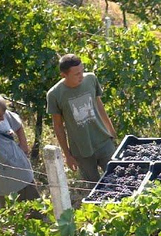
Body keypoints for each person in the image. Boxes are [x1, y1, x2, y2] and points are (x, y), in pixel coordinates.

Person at [46, 54, 117, 183]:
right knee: (94, 186)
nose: (81, 76)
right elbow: (58, 126)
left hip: (103, 141)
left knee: (119, 177)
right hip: (81, 150)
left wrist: (111, 131)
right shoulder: (54, 94)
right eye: (77, 74)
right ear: (64, 75)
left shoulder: (91, 79)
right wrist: (67, 155)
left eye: (82, 71)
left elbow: (99, 106)